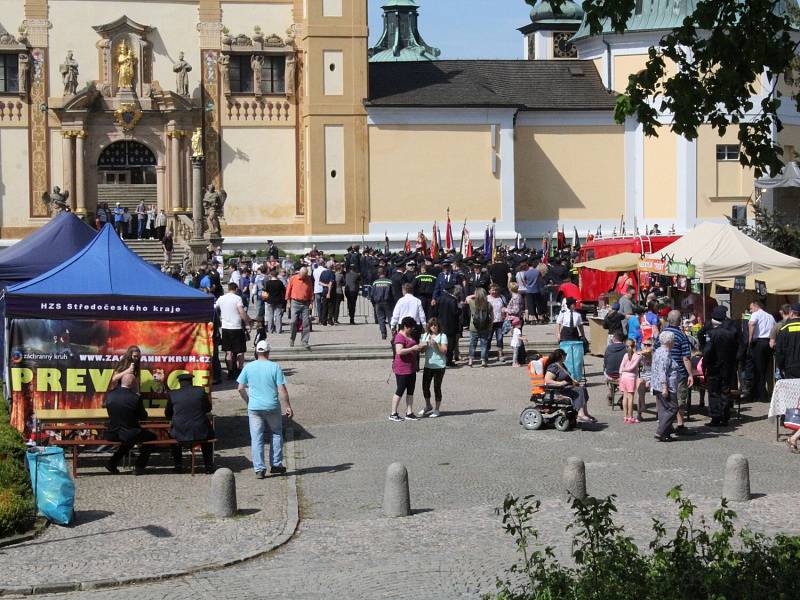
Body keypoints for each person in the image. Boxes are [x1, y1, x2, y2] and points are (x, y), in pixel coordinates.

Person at [105, 372, 179, 475]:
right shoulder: (135, 398)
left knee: (130, 439)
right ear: (133, 384)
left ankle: (112, 463)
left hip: (112, 433)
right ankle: (139, 466)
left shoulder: (110, 394)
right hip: (129, 433)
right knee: (151, 437)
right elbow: (144, 416)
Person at [237, 341, 293, 478]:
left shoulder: (249, 367)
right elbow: (282, 390)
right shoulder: (274, 367)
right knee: (276, 433)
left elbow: (240, 388)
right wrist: (288, 406)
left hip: (254, 407)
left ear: (256, 352)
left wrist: (248, 401)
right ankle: (276, 464)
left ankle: (259, 469)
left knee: (256, 437)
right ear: (268, 352)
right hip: (272, 406)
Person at [165, 373, 215, 474]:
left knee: (172, 436)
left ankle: (178, 465)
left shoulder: (173, 394)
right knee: (209, 435)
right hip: (200, 431)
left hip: (180, 431)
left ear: (179, 383)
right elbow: (208, 408)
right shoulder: (200, 391)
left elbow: (168, 413)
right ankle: (208, 465)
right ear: (192, 382)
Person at [703, 306, 738, 426]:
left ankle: (715, 417)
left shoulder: (711, 334)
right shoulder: (731, 333)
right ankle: (725, 416)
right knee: (725, 390)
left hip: (714, 366)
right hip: (728, 366)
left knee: (714, 392)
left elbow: (707, 351)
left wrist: (705, 364)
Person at [660, 309, 694, 433]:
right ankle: (680, 425)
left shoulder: (662, 334)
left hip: (664, 372)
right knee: (680, 399)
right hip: (679, 372)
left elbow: (656, 351)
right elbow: (685, 357)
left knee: (666, 400)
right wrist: (690, 374)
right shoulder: (681, 336)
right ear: (680, 321)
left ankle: (665, 425)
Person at [543, 348, 595, 422]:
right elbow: (547, 380)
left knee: (582, 388)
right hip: (559, 390)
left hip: (567, 387)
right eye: (565, 355)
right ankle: (580, 414)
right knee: (579, 390)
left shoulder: (562, 365)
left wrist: (574, 382)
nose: (566, 357)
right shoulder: (553, 366)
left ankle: (585, 413)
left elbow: (568, 378)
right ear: (561, 356)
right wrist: (560, 383)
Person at [389, 316, 425, 422]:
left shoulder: (410, 335)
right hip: (402, 367)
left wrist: (419, 348)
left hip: (411, 367)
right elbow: (399, 351)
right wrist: (412, 348)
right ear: (405, 326)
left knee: (410, 390)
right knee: (400, 390)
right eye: (410, 327)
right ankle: (393, 413)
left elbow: (412, 349)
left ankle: (409, 412)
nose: (412, 329)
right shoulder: (399, 336)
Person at [215, 282, 250, 378]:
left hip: (226, 327)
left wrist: (219, 319)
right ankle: (239, 369)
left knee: (228, 351)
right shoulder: (237, 298)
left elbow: (215, 308)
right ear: (236, 289)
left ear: (228, 289)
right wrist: (247, 323)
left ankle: (230, 371)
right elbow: (241, 312)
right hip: (237, 327)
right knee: (240, 351)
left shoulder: (221, 298)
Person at [417, 318, 448, 418]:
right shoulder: (425, 335)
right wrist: (423, 346)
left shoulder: (442, 336)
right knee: (425, 387)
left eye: (435, 325)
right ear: (429, 326)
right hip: (428, 365)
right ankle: (428, 405)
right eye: (432, 325)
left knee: (436, 387)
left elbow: (444, 351)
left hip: (439, 366)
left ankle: (437, 409)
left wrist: (436, 344)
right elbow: (422, 351)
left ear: (438, 326)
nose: (434, 327)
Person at [651, 331, 679, 442]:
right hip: (666, 386)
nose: (674, 342)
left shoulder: (658, 351)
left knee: (663, 409)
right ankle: (661, 431)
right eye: (673, 340)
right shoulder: (665, 353)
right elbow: (662, 371)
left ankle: (665, 433)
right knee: (673, 408)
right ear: (668, 341)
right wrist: (665, 387)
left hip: (657, 385)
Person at [748, 299, 776, 402]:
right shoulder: (770, 316)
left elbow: (751, 324)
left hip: (759, 342)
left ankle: (761, 395)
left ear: (756, 306)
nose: (750, 311)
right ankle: (769, 392)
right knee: (768, 369)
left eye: (751, 308)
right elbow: (774, 328)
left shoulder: (756, 314)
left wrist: (750, 339)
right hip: (769, 343)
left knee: (759, 369)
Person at [555, 296, 586, 381]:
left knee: (575, 354)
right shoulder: (563, 313)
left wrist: (583, 335)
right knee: (566, 353)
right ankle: (567, 374)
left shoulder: (577, 315)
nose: (575, 305)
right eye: (573, 304)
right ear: (569, 305)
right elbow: (558, 323)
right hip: (565, 333)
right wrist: (558, 334)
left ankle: (576, 374)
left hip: (574, 333)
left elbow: (580, 325)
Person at [285, 266, 313, 348]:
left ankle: (304, 341)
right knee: (293, 321)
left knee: (306, 323)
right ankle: (292, 339)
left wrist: (311, 302)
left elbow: (311, 291)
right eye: (303, 275)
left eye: (305, 275)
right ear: (299, 273)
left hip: (305, 303)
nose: (303, 277)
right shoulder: (293, 278)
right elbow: (288, 290)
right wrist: (288, 302)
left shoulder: (308, 279)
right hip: (295, 302)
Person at [466, 287, 493, 368]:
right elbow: (492, 317)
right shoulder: (488, 304)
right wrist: (490, 326)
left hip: (473, 327)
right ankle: (483, 361)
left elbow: (467, 298)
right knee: (483, 345)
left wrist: (474, 295)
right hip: (484, 327)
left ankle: (471, 360)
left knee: (472, 344)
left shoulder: (472, 302)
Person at [436, 282, 461, 366]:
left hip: (441, 323)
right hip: (451, 325)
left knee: (442, 342)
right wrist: (460, 308)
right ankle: (448, 361)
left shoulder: (439, 298)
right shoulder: (453, 300)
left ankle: (442, 359)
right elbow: (455, 312)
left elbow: (436, 311)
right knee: (450, 344)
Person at [619, 339, 642, 424]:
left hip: (623, 377)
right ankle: (630, 417)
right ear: (634, 346)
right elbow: (632, 367)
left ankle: (625, 416)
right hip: (631, 378)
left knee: (625, 397)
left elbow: (621, 366)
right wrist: (625, 370)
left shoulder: (625, 355)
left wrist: (621, 372)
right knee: (631, 398)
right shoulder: (637, 356)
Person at [775, 303, 800, 379]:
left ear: (791, 313)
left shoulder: (784, 330)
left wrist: (780, 366)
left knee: (792, 389)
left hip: (790, 366)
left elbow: (779, 351)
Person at [371, 267, 394, 340]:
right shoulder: (389, 282)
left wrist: (373, 302)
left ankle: (383, 334)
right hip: (388, 302)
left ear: (378, 274)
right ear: (385, 273)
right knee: (390, 318)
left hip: (378, 303)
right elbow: (393, 293)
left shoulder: (375, 282)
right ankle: (393, 333)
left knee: (381, 319)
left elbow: (372, 294)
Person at [262, 270, 286, 335]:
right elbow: (284, 291)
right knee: (278, 315)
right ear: (277, 275)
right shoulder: (280, 282)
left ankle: (270, 330)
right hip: (279, 300)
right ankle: (278, 330)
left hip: (270, 300)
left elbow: (265, 291)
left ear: (271, 275)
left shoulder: (268, 283)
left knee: (270, 315)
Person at [487, 285, 506, 363]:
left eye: (495, 290)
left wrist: (505, 311)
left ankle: (500, 354)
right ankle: (485, 354)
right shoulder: (486, 298)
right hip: (489, 322)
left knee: (500, 338)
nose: (494, 292)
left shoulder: (501, 297)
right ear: (489, 291)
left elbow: (504, 306)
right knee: (488, 338)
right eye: (492, 290)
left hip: (500, 321)